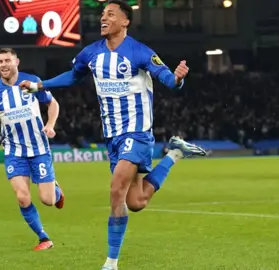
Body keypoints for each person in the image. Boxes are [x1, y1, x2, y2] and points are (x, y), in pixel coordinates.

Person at [19, 1, 208, 269]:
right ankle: (175, 153)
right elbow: (73, 77)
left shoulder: (140, 52)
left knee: (116, 187)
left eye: (110, 14)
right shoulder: (91, 53)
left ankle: (111, 262)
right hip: (113, 136)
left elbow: (167, 80)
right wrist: (40, 85)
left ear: (125, 21)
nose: (103, 19)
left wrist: (178, 79)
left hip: (137, 131)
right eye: (102, 15)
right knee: (136, 201)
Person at [0, 48, 65, 251]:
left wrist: (51, 125)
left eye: (7, 60)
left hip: (38, 148)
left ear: (17, 61)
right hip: (13, 151)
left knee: (48, 200)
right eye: (0, 61)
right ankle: (43, 238)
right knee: (22, 196)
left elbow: (53, 104)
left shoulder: (31, 81)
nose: (4, 64)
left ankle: (57, 192)